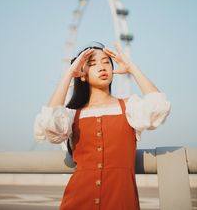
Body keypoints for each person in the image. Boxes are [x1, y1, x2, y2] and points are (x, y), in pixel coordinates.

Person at [34, 41, 171, 210]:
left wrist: (131, 67)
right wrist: (69, 73)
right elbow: (49, 122)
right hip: (77, 201)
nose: (101, 67)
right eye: (92, 64)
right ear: (82, 74)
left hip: (121, 202)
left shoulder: (129, 107)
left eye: (106, 62)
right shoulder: (72, 115)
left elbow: (158, 105)